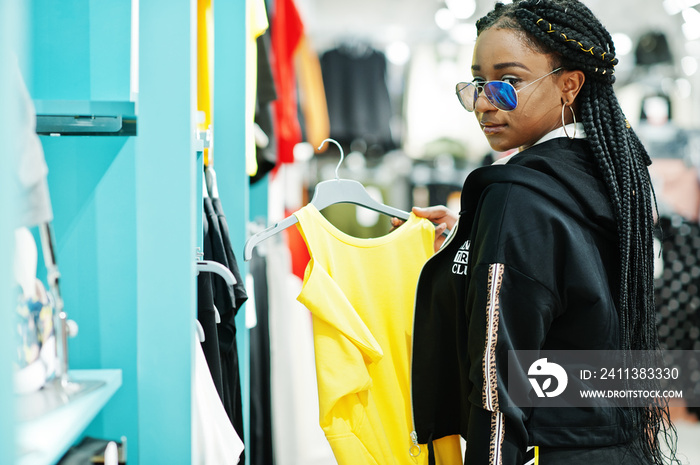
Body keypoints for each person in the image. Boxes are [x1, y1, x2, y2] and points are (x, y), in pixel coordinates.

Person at [401, 1, 680, 464]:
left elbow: (498, 379)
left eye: (509, 82)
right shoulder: (614, 174)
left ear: (569, 85)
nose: (485, 102)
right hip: (624, 446)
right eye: (478, 83)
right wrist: (475, 241)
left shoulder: (517, 196)